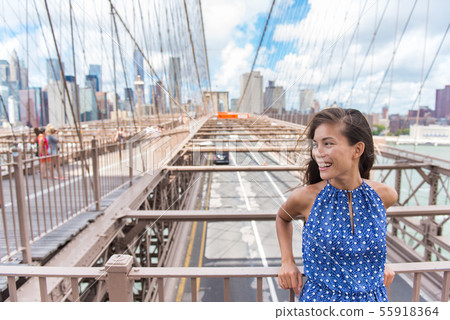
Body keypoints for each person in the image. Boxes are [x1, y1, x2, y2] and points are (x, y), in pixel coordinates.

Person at [276, 108, 398, 302]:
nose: (318, 153)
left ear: (357, 150)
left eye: (328, 144)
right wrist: (287, 261)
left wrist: (377, 264)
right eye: (316, 145)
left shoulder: (385, 196)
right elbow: (282, 218)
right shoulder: (307, 198)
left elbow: (371, 237)